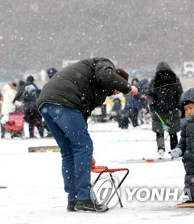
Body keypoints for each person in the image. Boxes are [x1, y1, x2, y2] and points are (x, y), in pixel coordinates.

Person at [37, 58, 137, 212]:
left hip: (47, 103)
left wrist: (87, 155)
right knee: (82, 146)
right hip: (63, 100)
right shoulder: (103, 63)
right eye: (116, 89)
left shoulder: (97, 89)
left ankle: (73, 199)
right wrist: (128, 87)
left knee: (69, 150)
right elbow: (107, 76)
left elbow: (82, 116)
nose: (115, 93)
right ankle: (84, 198)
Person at [147, 62, 183, 159]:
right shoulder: (154, 82)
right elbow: (150, 94)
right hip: (159, 110)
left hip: (172, 109)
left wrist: (179, 105)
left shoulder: (175, 80)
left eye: (167, 74)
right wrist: (152, 104)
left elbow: (180, 94)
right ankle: (160, 150)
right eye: (162, 74)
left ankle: (174, 150)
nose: (165, 76)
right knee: (159, 131)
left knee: (173, 131)